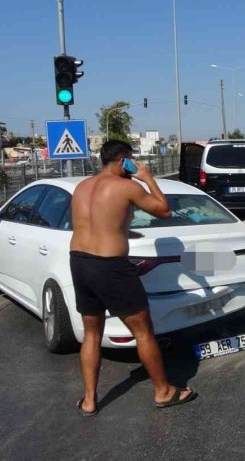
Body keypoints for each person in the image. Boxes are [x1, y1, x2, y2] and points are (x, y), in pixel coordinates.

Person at [70, 140, 196, 417]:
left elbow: (97, 224)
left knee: (91, 333)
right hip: (110, 267)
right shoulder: (127, 186)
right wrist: (148, 178)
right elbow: (164, 211)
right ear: (124, 160)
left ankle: (89, 401)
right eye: (132, 159)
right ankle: (163, 391)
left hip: (79, 262)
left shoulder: (81, 187)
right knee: (142, 331)